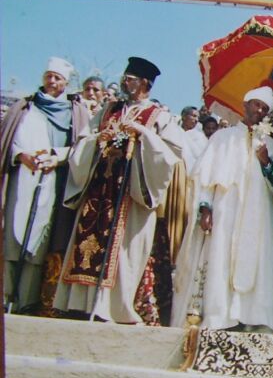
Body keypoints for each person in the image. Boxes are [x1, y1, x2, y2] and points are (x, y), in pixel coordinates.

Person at [54, 57, 183, 324]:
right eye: (125, 77)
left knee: (123, 252)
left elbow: (173, 154)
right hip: (100, 188)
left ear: (145, 83)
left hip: (132, 194)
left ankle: (109, 308)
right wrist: (98, 140)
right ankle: (79, 303)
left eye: (131, 79)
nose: (125, 82)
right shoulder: (108, 109)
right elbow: (83, 141)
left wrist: (142, 135)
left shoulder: (159, 116)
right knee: (88, 245)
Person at [171, 87, 273, 332]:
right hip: (225, 211)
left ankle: (252, 318)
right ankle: (218, 317)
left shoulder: (271, 145)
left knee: (257, 262)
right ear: (245, 105)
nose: (259, 110)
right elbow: (205, 178)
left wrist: (266, 163)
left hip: (258, 217)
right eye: (256, 105)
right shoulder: (222, 138)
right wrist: (205, 208)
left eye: (264, 108)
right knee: (219, 259)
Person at [1, 57, 90, 314]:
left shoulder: (75, 111)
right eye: (48, 76)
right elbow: (8, 140)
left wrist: (57, 157)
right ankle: (7, 295)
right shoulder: (25, 107)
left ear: (66, 82)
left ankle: (28, 300)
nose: (52, 82)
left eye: (57, 78)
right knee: (13, 235)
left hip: (53, 179)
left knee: (40, 240)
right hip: (22, 176)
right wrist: (21, 156)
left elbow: (81, 146)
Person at [179, 105, 207, 172]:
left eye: (198, 117)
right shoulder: (174, 131)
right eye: (194, 116)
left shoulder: (200, 137)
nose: (196, 120)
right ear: (184, 116)